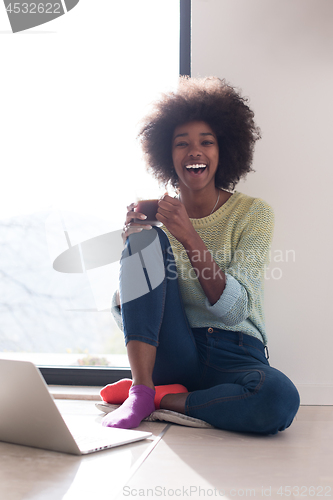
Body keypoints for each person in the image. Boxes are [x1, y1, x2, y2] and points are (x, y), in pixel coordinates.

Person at [101, 77, 300, 435]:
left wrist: (189, 236)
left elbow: (235, 309)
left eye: (206, 142)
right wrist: (134, 253)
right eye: (182, 144)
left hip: (236, 353)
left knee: (278, 398)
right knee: (145, 246)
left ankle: (160, 399)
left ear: (223, 151)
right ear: (168, 155)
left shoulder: (254, 214)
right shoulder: (158, 227)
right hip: (176, 350)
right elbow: (128, 317)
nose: (194, 151)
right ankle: (142, 387)